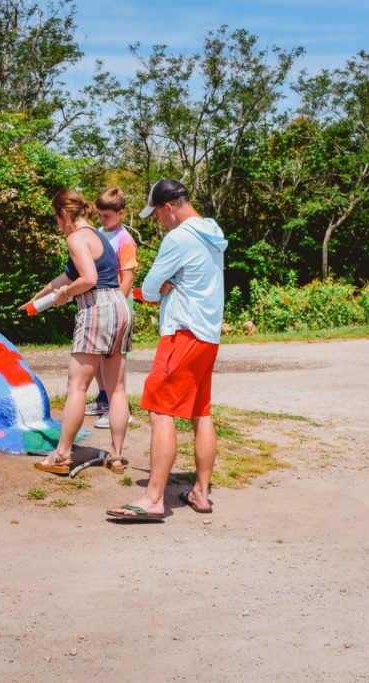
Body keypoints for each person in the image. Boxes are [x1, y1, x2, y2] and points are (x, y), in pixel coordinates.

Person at [107, 179, 228, 521]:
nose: (158, 221)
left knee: (160, 411)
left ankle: (153, 499)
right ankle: (201, 493)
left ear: (168, 207)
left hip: (182, 334)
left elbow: (148, 288)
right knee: (200, 412)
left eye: (157, 214)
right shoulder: (212, 231)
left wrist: (160, 287)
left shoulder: (178, 238)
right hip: (208, 335)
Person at [22, 189, 131, 474]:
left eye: (56, 217)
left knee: (77, 387)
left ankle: (62, 454)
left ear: (65, 214)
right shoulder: (97, 236)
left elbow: (87, 279)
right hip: (120, 306)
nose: (56, 223)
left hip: (97, 309)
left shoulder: (75, 238)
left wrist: (64, 295)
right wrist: (40, 297)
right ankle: (116, 457)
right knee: (116, 389)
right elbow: (68, 275)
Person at [88, 187, 138, 430]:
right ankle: (104, 399)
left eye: (107, 216)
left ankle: (121, 410)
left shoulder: (125, 240)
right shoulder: (98, 234)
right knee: (97, 355)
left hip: (115, 306)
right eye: (99, 215)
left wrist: (117, 304)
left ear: (120, 213)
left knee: (115, 360)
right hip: (97, 304)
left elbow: (128, 278)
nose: (102, 220)